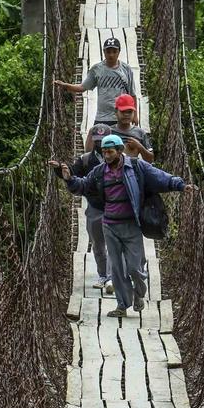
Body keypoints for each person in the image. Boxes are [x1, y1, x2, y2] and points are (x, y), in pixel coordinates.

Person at [49, 135, 188, 318]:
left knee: (134, 269)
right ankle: (122, 305)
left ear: (120, 151)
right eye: (104, 152)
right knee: (116, 270)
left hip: (131, 226)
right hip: (110, 226)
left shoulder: (136, 166)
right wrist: (68, 179)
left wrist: (180, 185)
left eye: (110, 152)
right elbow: (82, 186)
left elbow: (159, 177)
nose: (106, 155)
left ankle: (139, 294)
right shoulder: (99, 171)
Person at [66, 124, 115, 295]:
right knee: (98, 243)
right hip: (94, 207)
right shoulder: (85, 160)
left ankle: (110, 277)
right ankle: (103, 275)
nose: (100, 145)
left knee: (113, 243)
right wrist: (61, 170)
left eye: (103, 141)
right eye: (97, 141)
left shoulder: (120, 159)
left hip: (116, 207)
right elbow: (71, 176)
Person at [53, 36, 136, 127]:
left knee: (121, 141)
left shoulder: (126, 69)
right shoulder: (97, 69)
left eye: (114, 52)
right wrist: (65, 85)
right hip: (102, 117)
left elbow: (132, 94)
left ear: (119, 52)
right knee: (97, 140)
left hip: (122, 117)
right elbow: (82, 87)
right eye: (108, 52)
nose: (111, 55)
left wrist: (135, 115)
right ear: (104, 52)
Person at [109, 94, 154, 162]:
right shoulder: (109, 132)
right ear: (116, 111)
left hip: (133, 169)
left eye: (129, 112)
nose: (126, 115)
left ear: (134, 113)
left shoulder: (140, 133)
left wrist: (139, 147)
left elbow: (150, 159)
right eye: (123, 111)